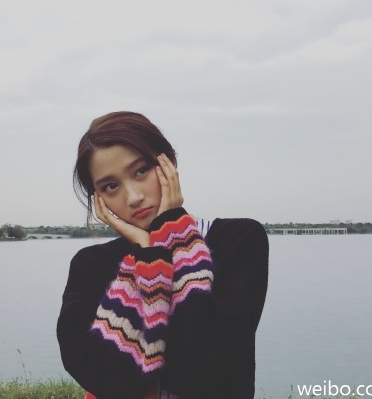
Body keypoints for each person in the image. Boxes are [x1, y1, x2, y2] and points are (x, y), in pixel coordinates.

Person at [57, 111, 269, 399]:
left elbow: (199, 371)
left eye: (141, 171)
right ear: (98, 199)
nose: (134, 197)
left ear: (168, 162)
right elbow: (108, 381)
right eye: (111, 186)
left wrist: (174, 238)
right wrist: (148, 256)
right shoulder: (90, 265)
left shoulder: (238, 240)